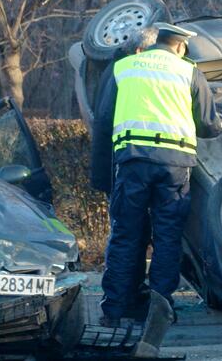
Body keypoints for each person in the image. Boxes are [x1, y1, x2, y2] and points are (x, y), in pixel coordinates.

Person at [93, 23, 222, 354]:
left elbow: (104, 117)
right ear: (179, 46)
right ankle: (159, 312)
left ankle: (114, 311)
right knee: (167, 238)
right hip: (174, 166)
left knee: (125, 235)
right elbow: (209, 125)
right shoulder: (189, 71)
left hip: (133, 162)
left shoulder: (123, 67)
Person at [91, 27, 159, 322]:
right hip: (121, 166)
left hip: (122, 166)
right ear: (140, 52)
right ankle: (122, 303)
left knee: (129, 234)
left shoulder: (117, 69)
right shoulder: (124, 71)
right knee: (127, 234)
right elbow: (106, 120)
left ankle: (126, 300)